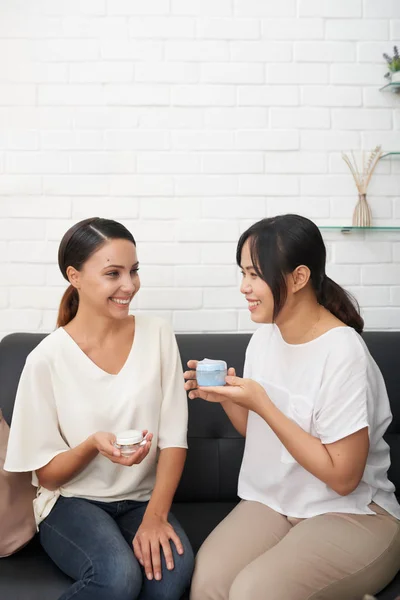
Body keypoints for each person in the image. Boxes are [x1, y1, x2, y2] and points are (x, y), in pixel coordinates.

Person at [185, 214, 400, 600]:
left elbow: (343, 477)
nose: (244, 287)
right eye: (243, 273)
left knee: (254, 593)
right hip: (276, 502)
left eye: (255, 274)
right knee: (208, 587)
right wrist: (228, 401)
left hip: (353, 511)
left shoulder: (343, 352)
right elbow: (262, 435)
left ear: (299, 278)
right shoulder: (264, 340)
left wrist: (263, 404)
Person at [5, 217, 194, 600]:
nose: (129, 285)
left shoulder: (157, 334)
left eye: (134, 271)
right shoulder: (46, 360)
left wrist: (156, 516)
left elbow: (174, 438)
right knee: (118, 576)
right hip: (71, 503)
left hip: (142, 500)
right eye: (113, 273)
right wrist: (92, 444)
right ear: (74, 277)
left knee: (171, 577)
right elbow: (49, 477)